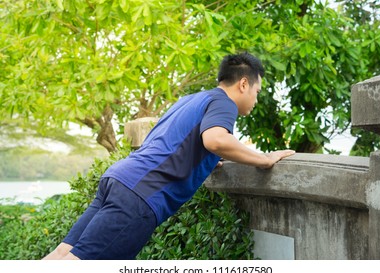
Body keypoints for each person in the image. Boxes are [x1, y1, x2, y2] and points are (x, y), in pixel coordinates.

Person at [43, 52, 295, 260]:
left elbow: (179, 142)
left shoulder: (191, 99)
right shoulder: (224, 103)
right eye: (257, 91)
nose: (256, 99)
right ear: (243, 84)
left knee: (61, 254)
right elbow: (215, 139)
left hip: (118, 180)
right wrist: (264, 158)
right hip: (140, 195)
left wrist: (206, 159)